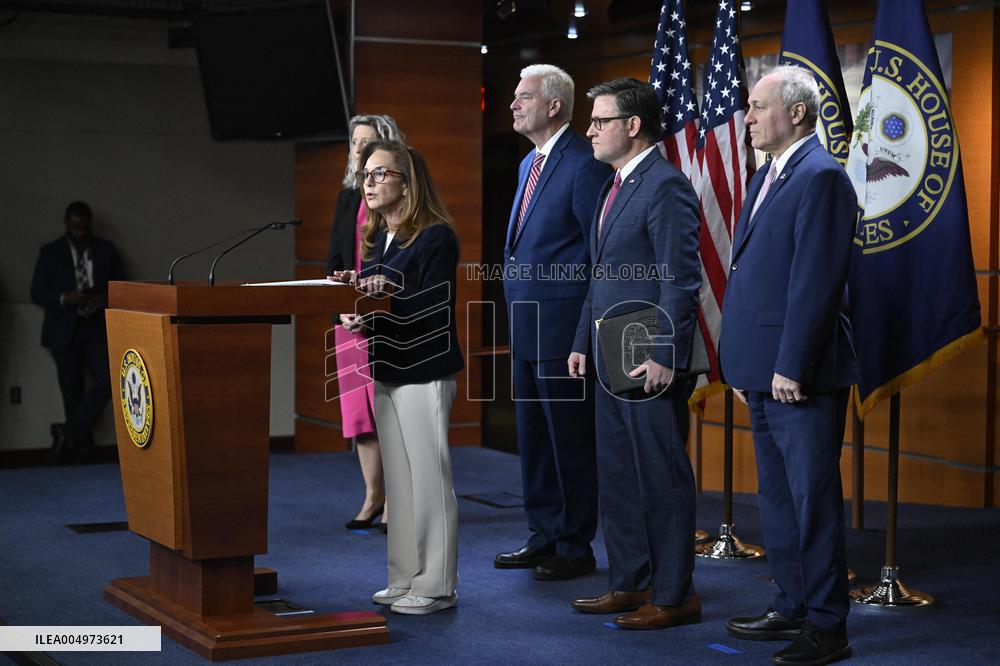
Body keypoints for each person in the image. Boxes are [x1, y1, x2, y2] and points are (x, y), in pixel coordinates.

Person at [719, 65, 857, 665]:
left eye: (756, 106)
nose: (746, 117)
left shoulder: (822, 176)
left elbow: (816, 282)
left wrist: (791, 365)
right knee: (775, 497)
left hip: (799, 373)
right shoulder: (767, 174)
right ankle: (791, 602)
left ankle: (828, 626)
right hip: (761, 370)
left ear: (797, 113)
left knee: (812, 499)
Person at [567, 78, 702, 630]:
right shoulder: (613, 184)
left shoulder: (665, 185)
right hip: (608, 349)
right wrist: (581, 342)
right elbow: (600, 275)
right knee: (618, 473)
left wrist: (667, 352)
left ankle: (675, 595)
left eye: (599, 120)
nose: (590, 130)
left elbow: (680, 277)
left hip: (648, 350)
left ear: (632, 125)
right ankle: (630, 582)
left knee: (660, 476)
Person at [493, 64, 609, 581]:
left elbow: (597, 253)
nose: (513, 105)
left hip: (564, 331)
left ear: (554, 105)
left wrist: (584, 332)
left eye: (523, 97)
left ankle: (573, 543)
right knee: (533, 438)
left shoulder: (584, 164)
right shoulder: (528, 165)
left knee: (568, 441)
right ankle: (542, 533)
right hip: (524, 325)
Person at [338, 140, 464, 615]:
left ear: (407, 183)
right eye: (365, 175)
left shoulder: (435, 237)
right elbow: (383, 307)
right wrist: (361, 313)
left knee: (429, 481)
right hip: (388, 367)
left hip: (424, 369)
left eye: (379, 174)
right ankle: (404, 577)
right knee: (403, 482)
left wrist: (383, 294)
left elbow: (431, 311)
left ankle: (436, 586)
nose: (367, 184)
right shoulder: (377, 238)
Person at [326, 114, 406, 532]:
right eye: (354, 142)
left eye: (367, 142)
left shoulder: (400, 198)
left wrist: (372, 308)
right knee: (360, 417)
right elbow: (334, 261)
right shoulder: (346, 197)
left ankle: (397, 498)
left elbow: (403, 263)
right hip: (348, 320)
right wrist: (340, 308)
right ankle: (373, 495)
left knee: (389, 414)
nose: (358, 149)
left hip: (384, 316)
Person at [30, 201, 125, 463]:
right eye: (76, 227)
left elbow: (121, 287)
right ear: (66, 223)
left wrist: (101, 298)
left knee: (107, 381)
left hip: (96, 327)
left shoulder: (106, 250)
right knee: (71, 390)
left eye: (84, 228)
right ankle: (80, 445)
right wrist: (65, 299)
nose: (81, 233)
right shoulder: (51, 252)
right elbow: (37, 291)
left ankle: (68, 431)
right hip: (64, 328)